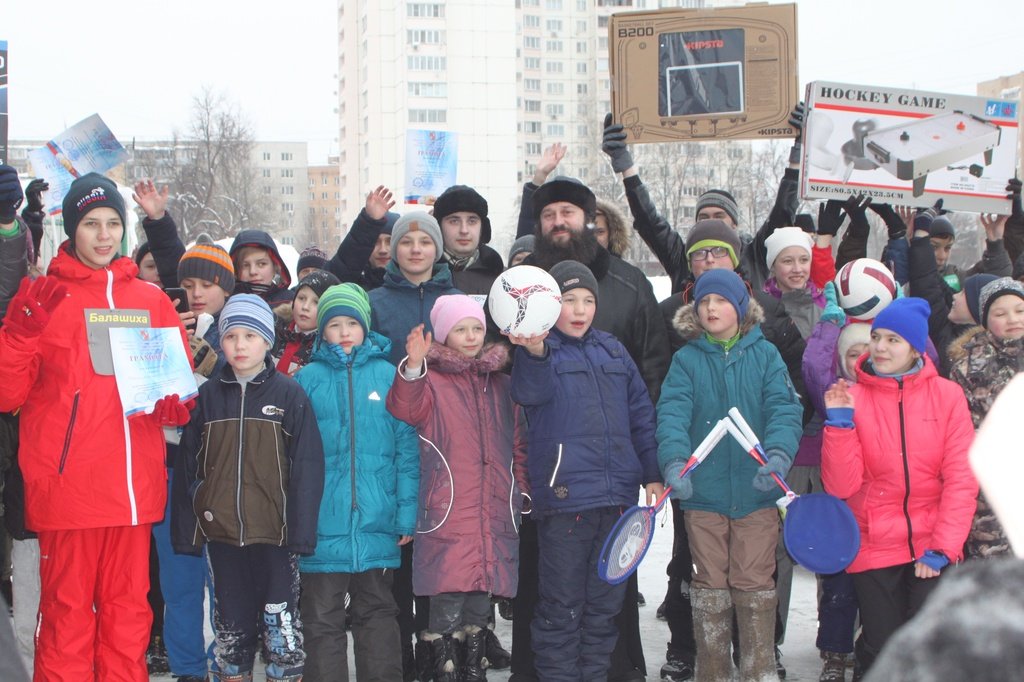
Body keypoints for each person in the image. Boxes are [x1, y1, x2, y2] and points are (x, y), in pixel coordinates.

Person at [0, 172, 192, 680]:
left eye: (112, 223)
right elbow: (7, 394)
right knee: (67, 619)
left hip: (133, 493)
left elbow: (174, 386)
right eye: (91, 224)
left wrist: (173, 405)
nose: (104, 235)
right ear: (72, 229)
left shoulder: (150, 300)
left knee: (128, 619)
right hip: (70, 491)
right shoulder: (44, 296)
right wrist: (16, 337)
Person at [509, 260, 663, 682]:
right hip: (566, 503)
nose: (580, 310)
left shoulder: (613, 350)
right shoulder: (539, 351)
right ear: (550, 305)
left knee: (603, 608)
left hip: (617, 502)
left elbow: (641, 415)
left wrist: (652, 471)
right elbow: (528, 391)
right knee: (561, 608)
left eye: (588, 300)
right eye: (569, 300)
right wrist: (534, 351)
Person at [656, 268, 802, 682]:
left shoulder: (766, 355)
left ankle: (759, 669)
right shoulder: (686, 361)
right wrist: (674, 461)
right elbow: (671, 415)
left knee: (754, 583)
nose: (711, 308)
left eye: (720, 300)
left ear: (740, 307)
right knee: (708, 586)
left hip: (757, 495)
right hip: (704, 496)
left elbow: (784, 409)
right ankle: (713, 672)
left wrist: (778, 455)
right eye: (704, 302)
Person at [821, 297, 978, 679]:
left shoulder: (948, 396)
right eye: (877, 337)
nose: (880, 347)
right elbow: (841, 487)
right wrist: (839, 426)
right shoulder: (853, 398)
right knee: (883, 646)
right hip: (873, 543)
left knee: (926, 646)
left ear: (915, 348)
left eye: (893, 340)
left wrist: (943, 547)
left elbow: (961, 479)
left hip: (932, 542)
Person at [172, 294, 325, 682]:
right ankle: (232, 671)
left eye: (250, 336)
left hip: (275, 535)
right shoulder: (207, 397)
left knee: (281, 626)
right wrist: (190, 528)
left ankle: (284, 672)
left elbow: (307, 466)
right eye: (231, 336)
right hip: (222, 534)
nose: (240, 345)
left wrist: (301, 530)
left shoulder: (289, 394)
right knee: (231, 628)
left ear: (268, 341)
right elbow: (188, 466)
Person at [388, 295, 528, 681]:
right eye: (460, 329)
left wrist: (521, 490)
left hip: (494, 507)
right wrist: (413, 366)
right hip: (448, 508)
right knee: (447, 591)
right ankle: (443, 666)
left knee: (481, 592)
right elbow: (405, 407)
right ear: (445, 334)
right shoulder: (431, 382)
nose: (470, 336)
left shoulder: (501, 384)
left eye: (477, 328)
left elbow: (518, 443)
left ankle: (473, 666)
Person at [294, 283, 418, 682]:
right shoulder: (306, 381)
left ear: (366, 326)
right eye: (334, 325)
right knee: (320, 616)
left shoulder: (388, 376)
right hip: (321, 525)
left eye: (352, 323)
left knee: (378, 613)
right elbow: (290, 457)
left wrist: (406, 515)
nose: (344, 332)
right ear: (322, 331)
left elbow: (406, 452)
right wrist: (297, 519)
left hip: (377, 520)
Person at [949, 277, 1024, 560]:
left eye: (1020, 310)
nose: (1012, 319)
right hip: (993, 499)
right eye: (1000, 313)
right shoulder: (968, 368)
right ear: (984, 319)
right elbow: (965, 434)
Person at [369, 211, 461, 365]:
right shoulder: (373, 304)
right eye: (406, 242)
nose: (416, 250)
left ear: (436, 250)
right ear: (395, 250)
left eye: (425, 242)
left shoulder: (459, 301)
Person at [433, 185, 505, 295]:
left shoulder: (503, 280)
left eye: (472, 221)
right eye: (454, 221)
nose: (464, 230)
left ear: (482, 227)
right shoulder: (422, 274)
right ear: (439, 226)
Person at [327, 185, 400, 291]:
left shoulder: (415, 287)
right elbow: (334, 277)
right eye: (375, 242)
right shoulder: (352, 289)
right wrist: (368, 224)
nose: (383, 250)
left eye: (390, 242)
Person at [273, 269, 340, 376]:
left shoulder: (328, 349)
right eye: (301, 298)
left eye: (316, 302)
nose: (305, 307)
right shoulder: (274, 331)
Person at [229, 229, 294, 307]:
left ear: (275, 267)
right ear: (236, 270)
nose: (252, 271)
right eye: (245, 265)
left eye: (261, 264)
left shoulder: (292, 302)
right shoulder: (224, 303)